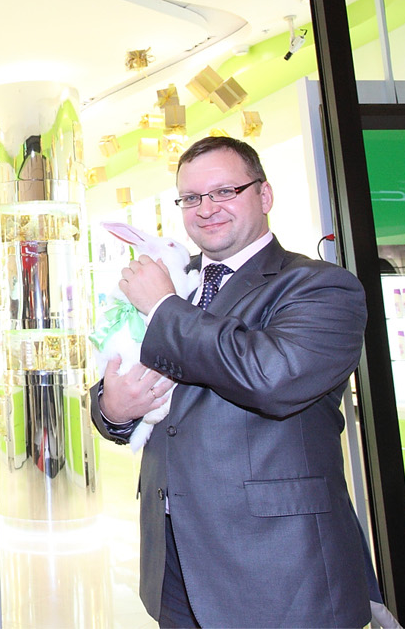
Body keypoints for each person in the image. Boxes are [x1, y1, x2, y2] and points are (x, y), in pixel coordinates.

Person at [89, 134, 370, 628]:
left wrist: (162, 307)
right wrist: (113, 409)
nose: (206, 209)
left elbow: (272, 378)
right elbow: (119, 374)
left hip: (280, 568)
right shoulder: (177, 278)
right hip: (174, 557)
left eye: (224, 191)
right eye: (191, 197)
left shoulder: (319, 285)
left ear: (264, 195)